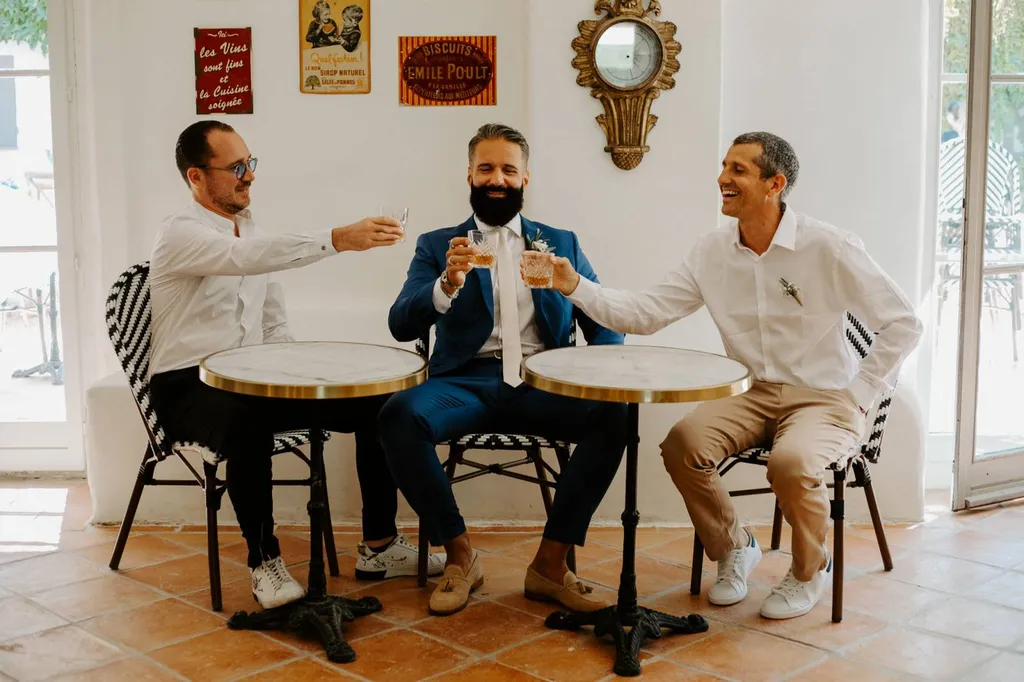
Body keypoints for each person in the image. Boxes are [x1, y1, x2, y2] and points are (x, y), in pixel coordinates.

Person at [541, 131, 923, 620]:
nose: (723, 178)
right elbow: (646, 313)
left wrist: (860, 394)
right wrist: (574, 285)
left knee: (791, 463)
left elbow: (904, 322)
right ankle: (735, 545)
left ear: (775, 184)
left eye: (738, 169)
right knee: (682, 444)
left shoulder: (829, 246)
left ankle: (810, 569)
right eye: (724, 166)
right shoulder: (711, 252)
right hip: (751, 393)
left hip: (824, 397)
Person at [148, 120, 443, 610]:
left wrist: (299, 376)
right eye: (236, 167)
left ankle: (379, 546)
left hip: (251, 380)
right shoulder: (181, 233)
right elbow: (247, 258)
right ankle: (264, 560)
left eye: (251, 164)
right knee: (246, 422)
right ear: (196, 177)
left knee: (385, 405)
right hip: (186, 384)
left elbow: (273, 321)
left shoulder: (252, 229)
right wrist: (336, 239)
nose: (249, 176)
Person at [379, 123, 629, 617]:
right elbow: (400, 322)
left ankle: (550, 565)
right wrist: (446, 285)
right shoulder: (438, 244)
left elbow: (606, 326)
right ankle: (460, 556)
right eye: (486, 168)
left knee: (616, 414)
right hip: (464, 384)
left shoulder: (560, 242)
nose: (497, 178)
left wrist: (574, 291)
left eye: (508, 169)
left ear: (525, 178)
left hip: (543, 382)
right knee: (397, 415)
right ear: (469, 175)